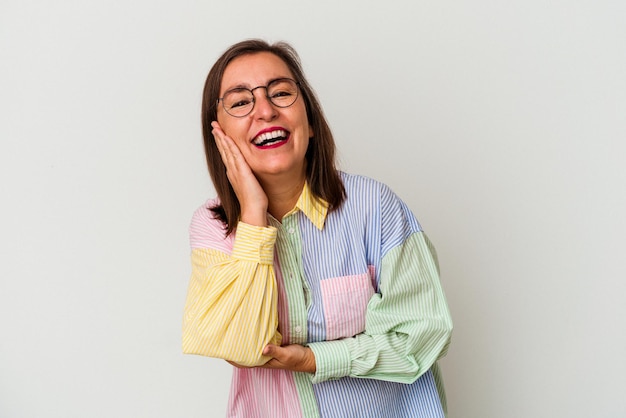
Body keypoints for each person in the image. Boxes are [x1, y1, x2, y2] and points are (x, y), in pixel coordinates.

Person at [182, 39, 453, 418]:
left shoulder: (374, 206)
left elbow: (423, 335)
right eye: (241, 102)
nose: (265, 111)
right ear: (219, 136)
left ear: (309, 123)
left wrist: (315, 359)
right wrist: (254, 215)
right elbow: (240, 347)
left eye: (280, 93)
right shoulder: (212, 228)